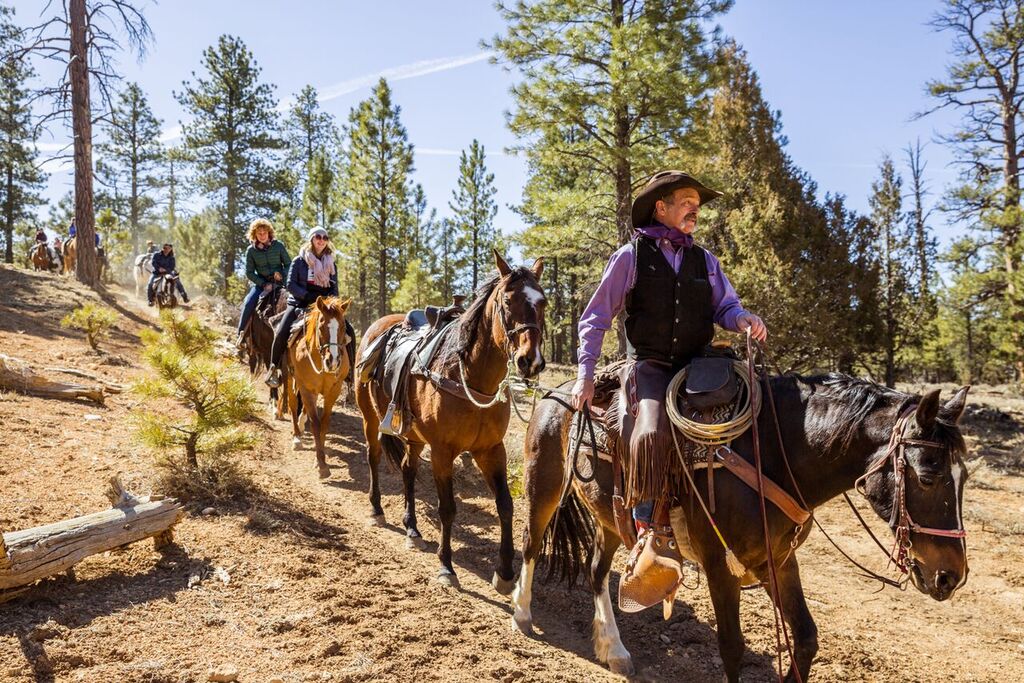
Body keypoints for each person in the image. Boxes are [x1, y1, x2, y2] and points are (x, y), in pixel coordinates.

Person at [570, 170, 767, 611]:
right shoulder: (631, 257)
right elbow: (596, 317)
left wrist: (743, 319)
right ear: (662, 206)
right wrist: (585, 372)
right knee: (652, 432)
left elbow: (726, 306)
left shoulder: (706, 260)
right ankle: (648, 537)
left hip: (701, 365)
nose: (695, 210)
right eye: (686, 201)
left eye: (698, 204)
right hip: (653, 366)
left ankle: (734, 529)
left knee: (754, 415)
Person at [265, 227, 355, 388]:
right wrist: (309, 297)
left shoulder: (331, 263)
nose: (321, 240)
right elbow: (290, 285)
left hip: (325, 307)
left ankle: (350, 374)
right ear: (311, 239)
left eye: (325, 237)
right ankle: (273, 369)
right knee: (281, 332)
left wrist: (330, 304)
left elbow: (334, 290)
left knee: (349, 331)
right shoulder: (299, 261)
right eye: (318, 237)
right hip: (300, 302)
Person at [236, 218, 291, 348]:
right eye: (259, 233)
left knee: (294, 302)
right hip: (261, 285)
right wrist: (262, 283)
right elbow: (249, 272)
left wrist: (281, 274)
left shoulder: (278, 246)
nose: (262, 235)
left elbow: (289, 264)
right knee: (249, 302)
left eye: (264, 233)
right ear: (254, 234)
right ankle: (241, 335)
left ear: (269, 233)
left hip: (280, 284)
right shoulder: (251, 251)